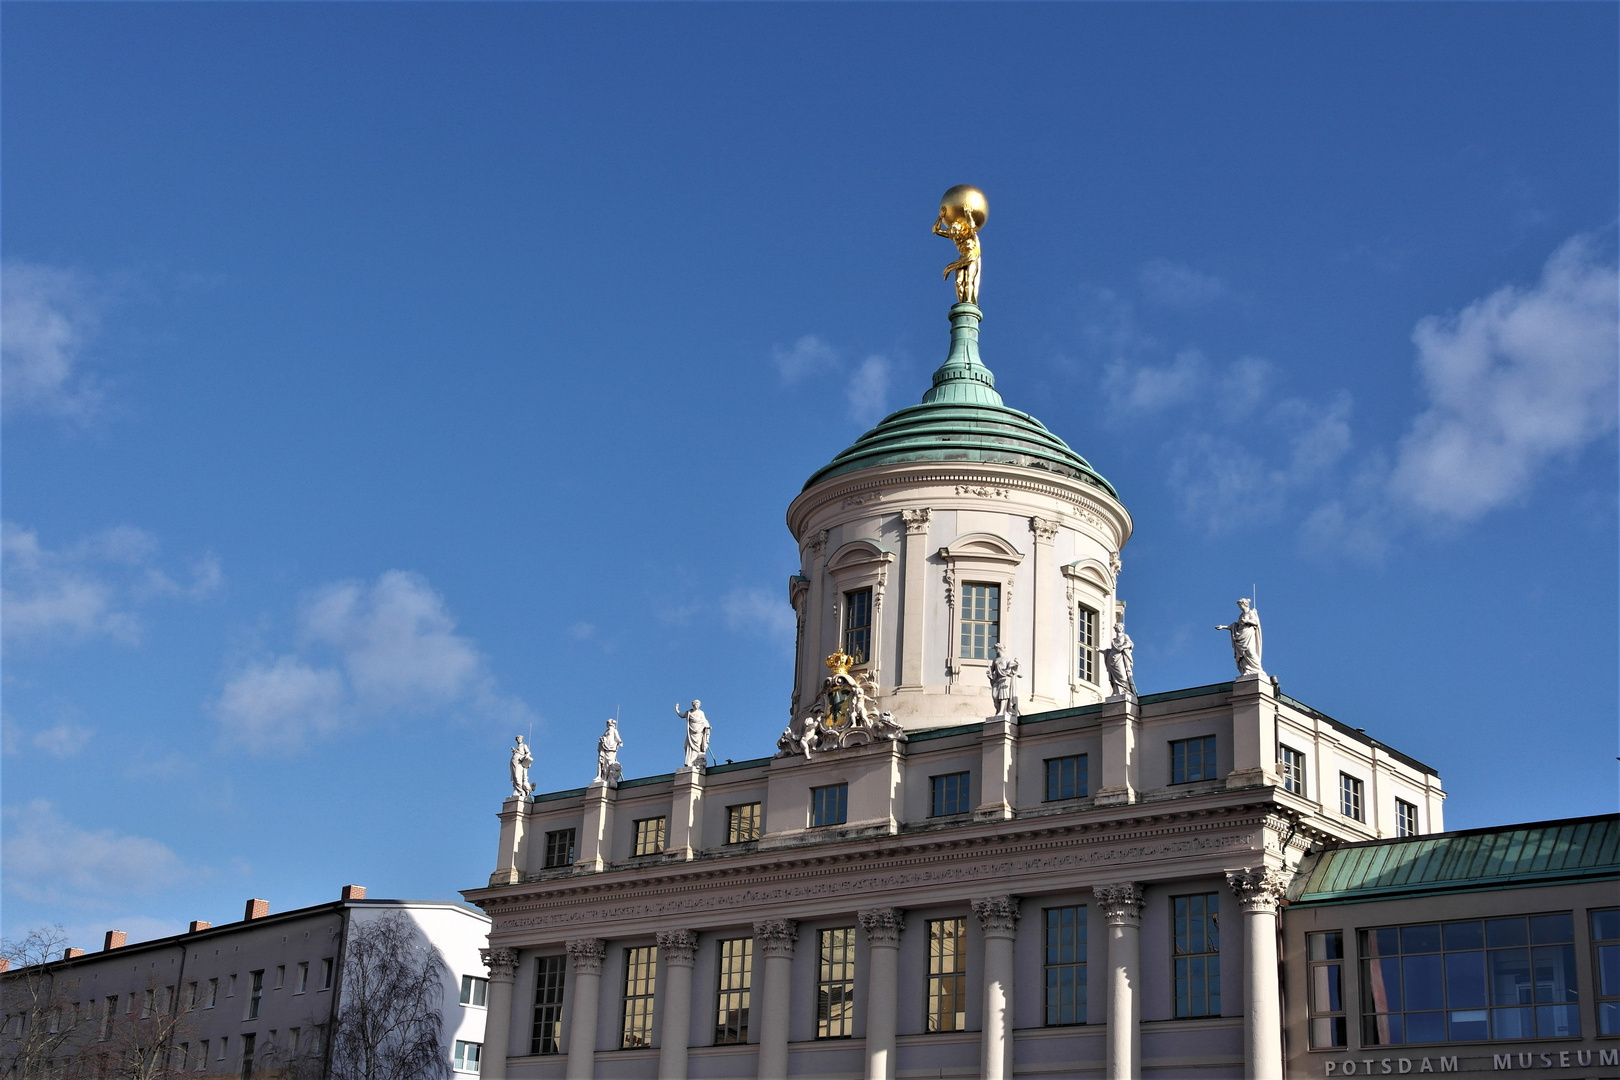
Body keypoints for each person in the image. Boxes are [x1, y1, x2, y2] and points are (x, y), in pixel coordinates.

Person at [1216, 598, 1264, 676]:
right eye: (1239, 605)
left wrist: (1247, 621)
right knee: (1244, 655)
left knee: (1251, 652)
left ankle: (1257, 669)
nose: (1239, 607)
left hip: (1248, 634)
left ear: (1245, 604)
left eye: (1240, 605)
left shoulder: (1251, 613)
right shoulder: (1240, 616)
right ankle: (1247, 670)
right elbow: (1235, 626)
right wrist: (1223, 627)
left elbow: (1255, 622)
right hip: (1240, 635)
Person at [987, 641, 1021, 719]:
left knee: (1003, 696)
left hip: (1005, 679)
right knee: (994, 696)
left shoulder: (1007, 659)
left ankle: (1002, 711)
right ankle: (998, 709)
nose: (996, 650)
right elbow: (992, 671)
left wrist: (1016, 664)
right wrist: (989, 674)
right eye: (995, 648)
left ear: (1001, 649)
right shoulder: (995, 660)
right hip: (996, 680)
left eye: (997, 648)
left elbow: (1012, 668)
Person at [1102, 624, 1137, 698]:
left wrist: (1123, 646)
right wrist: (1101, 651)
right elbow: (1109, 651)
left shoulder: (1125, 636)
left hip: (1120, 658)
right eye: (1118, 627)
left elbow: (1130, 643)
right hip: (1112, 658)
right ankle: (1116, 691)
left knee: (1123, 675)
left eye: (1121, 627)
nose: (1120, 629)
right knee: (1114, 678)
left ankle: (1126, 690)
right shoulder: (1114, 640)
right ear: (1115, 628)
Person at [675, 699, 711, 770]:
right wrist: (677, 710)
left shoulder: (701, 713)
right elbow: (682, 715)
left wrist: (707, 727)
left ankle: (695, 762)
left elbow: (705, 721)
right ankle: (690, 763)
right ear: (693, 705)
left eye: (698, 704)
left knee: (697, 748)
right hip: (690, 733)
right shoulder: (689, 712)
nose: (697, 706)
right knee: (687, 746)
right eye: (695, 704)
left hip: (699, 732)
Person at [596, 718, 624, 784]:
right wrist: (602, 739)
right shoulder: (606, 731)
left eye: (608, 723)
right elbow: (604, 737)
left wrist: (619, 742)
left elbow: (618, 738)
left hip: (611, 747)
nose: (607, 724)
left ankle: (609, 777)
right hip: (605, 747)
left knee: (609, 762)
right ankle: (602, 777)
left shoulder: (614, 730)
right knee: (603, 762)